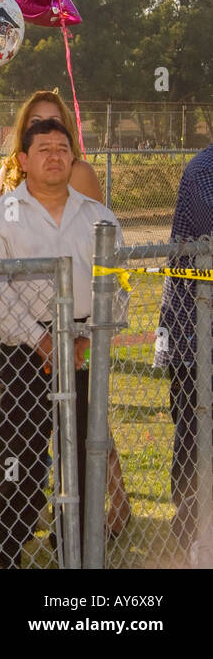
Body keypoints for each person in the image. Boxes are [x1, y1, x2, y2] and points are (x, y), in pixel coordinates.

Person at [0, 118, 123, 568]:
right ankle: (6, 550)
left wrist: (86, 337)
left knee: (81, 454)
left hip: (82, 348)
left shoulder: (97, 216)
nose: (55, 156)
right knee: (23, 458)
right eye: (43, 148)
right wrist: (41, 340)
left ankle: (73, 547)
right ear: (23, 159)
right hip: (23, 352)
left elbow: (116, 285)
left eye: (63, 148)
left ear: (73, 157)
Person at [155, 145, 213, 559]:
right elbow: (197, 258)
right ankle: (190, 535)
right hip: (194, 334)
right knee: (194, 438)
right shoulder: (203, 174)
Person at [0, 91, 103, 201]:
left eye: (53, 122)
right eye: (36, 121)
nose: (45, 128)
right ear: (23, 128)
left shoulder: (79, 172)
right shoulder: (9, 168)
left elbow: (95, 216)